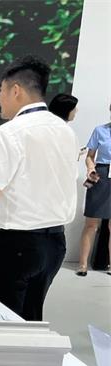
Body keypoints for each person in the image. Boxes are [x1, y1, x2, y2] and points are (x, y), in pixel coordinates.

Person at [0, 55, 78, 321]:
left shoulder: (9, 133)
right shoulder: (65, 130)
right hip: (55, 244)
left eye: (1, 90)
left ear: (16, 90)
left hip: (16, 244)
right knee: (30, 319)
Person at [76, 103, 111, 276]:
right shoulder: (100, 130)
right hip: (101, 175)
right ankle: (82, 265)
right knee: (91, 223)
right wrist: (91, 168)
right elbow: (90, 156)